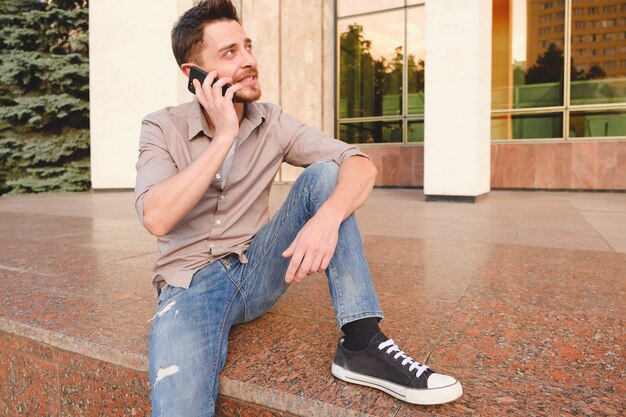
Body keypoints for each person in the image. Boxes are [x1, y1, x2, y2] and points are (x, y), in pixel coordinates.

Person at [135, 1, 462, 415]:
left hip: (255, 269)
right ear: (193, 74)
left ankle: (362, 343)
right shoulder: (161, 127)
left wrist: (327, 217)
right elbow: (156, 217)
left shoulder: (272, 121)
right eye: (230, 53)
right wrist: (224, 136)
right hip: (188, 288)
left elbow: (358, 163)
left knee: (325, 175)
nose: (249, 61)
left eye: (247, 46)